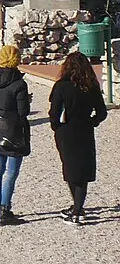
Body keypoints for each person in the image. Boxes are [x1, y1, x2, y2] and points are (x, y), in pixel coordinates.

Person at [48, 50, 109, 224]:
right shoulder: (91, 86)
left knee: (70, 168)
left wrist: (56, 127)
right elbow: (102, 112)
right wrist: (92, 122)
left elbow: (54, 112)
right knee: (83, 170)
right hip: (85, 130)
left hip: (66, 131)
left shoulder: (61, 86)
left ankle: (77, 209)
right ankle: (77, 207)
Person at [0, 42, 33, 225]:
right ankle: (5, 209)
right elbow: (23, 111)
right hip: (14, 130)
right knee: (11, 172)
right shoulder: (19, 83)